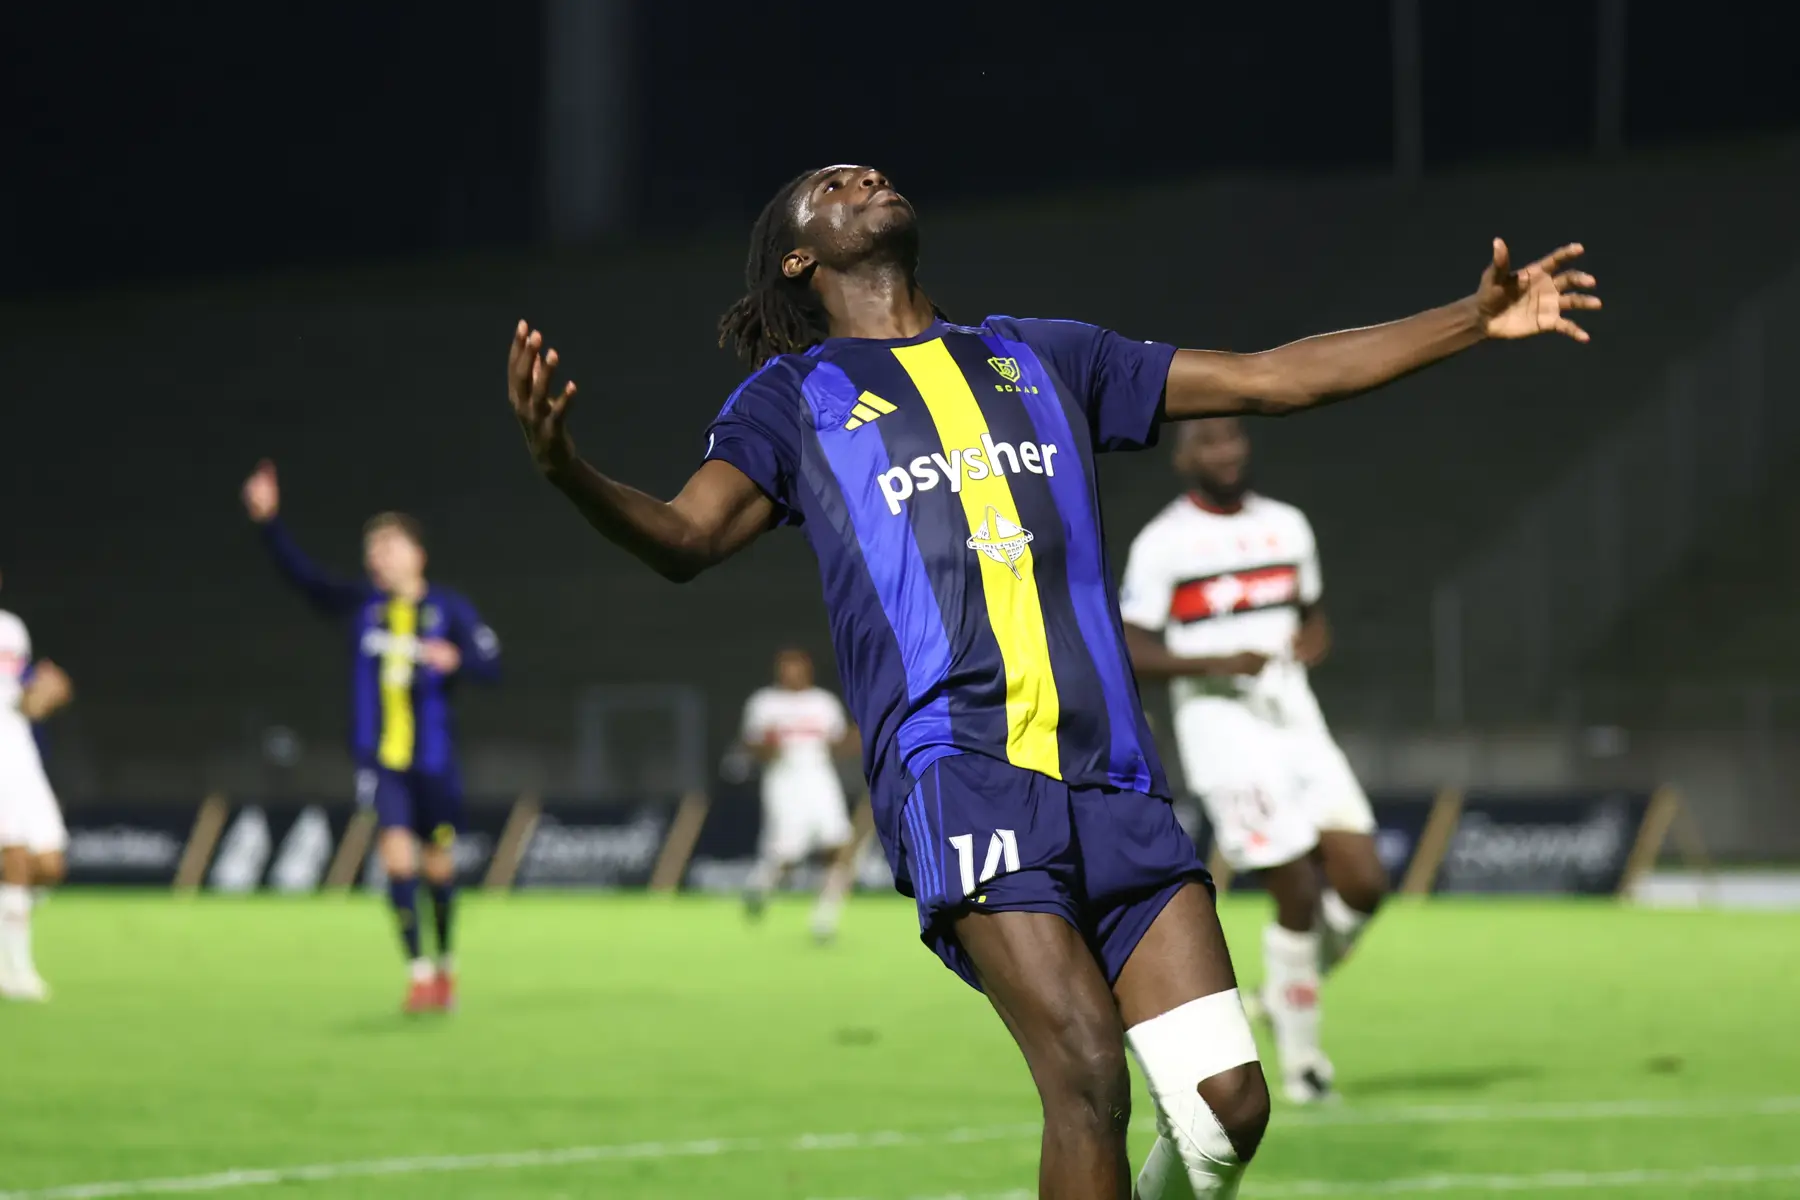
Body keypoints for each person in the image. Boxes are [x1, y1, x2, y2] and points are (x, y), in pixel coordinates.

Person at [504, 164, 1598, 1198]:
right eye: (832, 187)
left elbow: (1272, 378)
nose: (866, 180)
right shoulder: (793, 398)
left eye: (870, 172)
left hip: (1114, 775)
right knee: (1085, 1071)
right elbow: (685, 538)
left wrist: (1471, 319)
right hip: (961, 771)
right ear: (800, 260)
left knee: (1227, 1112)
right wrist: (565, 472)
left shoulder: (1039, 355)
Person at [1121, 418, 1386, 1104]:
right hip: (1222, 734)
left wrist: (1315, 639)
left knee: (1363, 882)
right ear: (1182, 457)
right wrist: (1215, 662)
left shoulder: (1287, 525)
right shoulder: (1163, 542)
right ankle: (1304, 1066)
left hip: (1297, 722)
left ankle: (1281, 993)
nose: (1226, 451)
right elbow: (1132, 647)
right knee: (1294, 888)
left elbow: (1311, 611)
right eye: (1207, 441)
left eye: (1233, 437)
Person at [242, 461, 501, 1013]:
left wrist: (458, 660)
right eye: (372, 549)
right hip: (382, 763)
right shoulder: (363, 607)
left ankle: (445, 962)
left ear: (417, 554)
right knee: (397, 860)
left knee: (438, 869)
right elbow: (305, 579)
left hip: (435, 761)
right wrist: (269, 524)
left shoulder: (448, 609)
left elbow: (492, 664)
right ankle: (419, 973)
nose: (377, 557)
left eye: (388, 546)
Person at [740, 647, 860, 940]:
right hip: (783, 779)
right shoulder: (765, 703)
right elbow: (752, 747)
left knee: (839, 845)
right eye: (786, 669)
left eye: (797, 668)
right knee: (788, 852)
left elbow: (837, 743)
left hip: (820, 778)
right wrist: (768, 745)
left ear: (808, 671)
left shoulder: (823, 703)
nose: (792, 674)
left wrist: (862, 736)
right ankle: (759, 886)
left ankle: (824, 919)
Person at [0, 572, 75, 1002]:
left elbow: (23, 700)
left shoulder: (12, 628)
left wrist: (46, 692)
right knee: (13, 856)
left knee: (49, 865)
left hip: (21, 754)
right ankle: (16, 972)